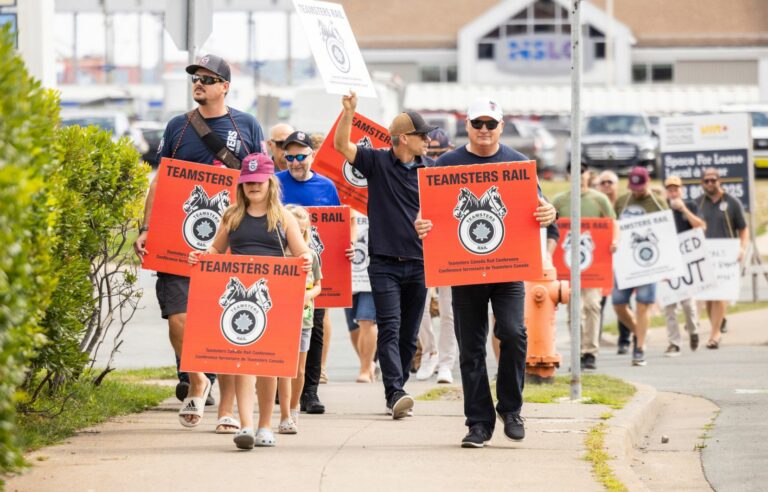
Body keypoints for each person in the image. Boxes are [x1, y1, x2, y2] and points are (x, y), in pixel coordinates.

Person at [415, 97, 557, 448]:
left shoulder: (518, 163)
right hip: (465, 273)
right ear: (467, 126)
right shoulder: (446, 163)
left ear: (500, 127)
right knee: (471, 350)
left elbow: (539, 208)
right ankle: (478, 423)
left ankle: (511, 408)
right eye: (477, 123)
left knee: (512, 332)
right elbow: (431, 213)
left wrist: (549, 214)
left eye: (490, 124)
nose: (483, 130)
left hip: (508, 271)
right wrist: (423, 225)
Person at [133, 54, 264, 431]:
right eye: (196, 78)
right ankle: (197, 377)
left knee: (224, 317)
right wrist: (146, 227)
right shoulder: (178, 126)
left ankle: (222, 399)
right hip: (178, 240)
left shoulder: (246, 125)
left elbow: (261, 180)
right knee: (178, 318)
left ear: (225, 86)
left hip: (232, 241)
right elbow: (161, 181)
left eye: (208, 78)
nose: (199, 84)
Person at [188, 152, 312, 449]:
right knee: (243, 364)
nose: (253, 186)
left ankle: (265, 425)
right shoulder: (231, 216)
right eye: (248, 182)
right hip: (238, 303)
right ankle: (245, 425)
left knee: (268, 367)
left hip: (273, 300)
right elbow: (216, 251)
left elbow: (300, 250)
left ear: (270, 182)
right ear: (241, 185)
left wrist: (306, 259)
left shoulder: (283, 217)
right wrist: (202, 257)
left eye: (259, 181)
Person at [334, 91, 435, 420]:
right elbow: (341, 147)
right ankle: (395, 392)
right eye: (423, 136)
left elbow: (445, 213)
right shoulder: (376, 161)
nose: (428, 141)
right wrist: (348, 113)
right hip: (384, 263)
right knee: (390, 328)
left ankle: (397, 388)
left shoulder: (430, 172)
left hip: (420, 264)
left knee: (409, 335)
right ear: (404, 138)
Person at [276, 130, 342, 414]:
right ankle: (282, 388)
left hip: (311, 271)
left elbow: (338, 229)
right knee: (281, 330)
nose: (295, 162)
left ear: (312, 156)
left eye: (301, 156)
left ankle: (310, 393)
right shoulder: (275, 184)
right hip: (280, 269)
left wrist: (346, 250)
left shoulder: (327, 187)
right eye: (289, 157)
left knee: (312, 329)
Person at [552, 168, 617, 371]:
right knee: (574, 310)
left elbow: (613, 223)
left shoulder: (599, 199)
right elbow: (549, 226)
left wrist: (615, 240)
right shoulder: (560, 201)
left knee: (592, 306)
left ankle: (590, 352)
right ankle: (577, 352)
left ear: (588, 175)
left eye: (582, 173)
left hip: (593, 264)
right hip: (568, 264)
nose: (578, 177)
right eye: (574, 173)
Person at [613, 166, 668, 366]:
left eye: (640, 187)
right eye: (633, 187)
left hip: (647, 261)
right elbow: (614, 226)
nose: (637, 191)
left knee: (643, 304)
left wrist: (666, 266)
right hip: (624, 262)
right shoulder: (622, 202)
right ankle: (640, 331)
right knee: (618, 303)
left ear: (648, 182)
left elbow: (667, 233)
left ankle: (639, 348)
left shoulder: (658, 203)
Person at [415, 128, 458, 383]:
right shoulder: (415, 173)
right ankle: (430, 351)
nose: (436, 160)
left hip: (448, 247)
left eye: (442, 154)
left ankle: (446, 362)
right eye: (433, 154)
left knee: (448, 308)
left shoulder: (453, 174)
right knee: (419, 307)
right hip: (419, 245)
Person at [276, 204, 322, 434]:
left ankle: (294, 407)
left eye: (304, 231)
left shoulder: (311, 255)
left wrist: (307, 295)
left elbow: (319, 286)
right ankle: (284, 412)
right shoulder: (277, 254)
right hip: (282, 317)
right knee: (284, 367)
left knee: (299, 369)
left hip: (304, 317)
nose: (299, 235)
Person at [696, 168, 749, 349]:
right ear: (702, 183)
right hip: (705, 255)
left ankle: (715, 334)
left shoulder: (732, 203)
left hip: (725, 256)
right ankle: (716, 325)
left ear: (720, 181)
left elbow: (743, 228)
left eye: (713, 180)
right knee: (709, 298)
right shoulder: (698, 203)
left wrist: (742, 248)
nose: (710, 184)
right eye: (706, 181)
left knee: (720, 295)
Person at [662, 176, 704, 356]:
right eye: (670, 189)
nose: (673, 192)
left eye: (676, 189)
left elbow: (700, 226)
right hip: (668, 261)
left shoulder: (692, 205)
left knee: (688, 303)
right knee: (669, 305)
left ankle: (693, 330)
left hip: (686, 259)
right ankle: (674, 342)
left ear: (681, 190)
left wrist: (684, 209)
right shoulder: (662, 208)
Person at [596, 170, 633, 354]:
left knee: (623, 299)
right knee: (598, 300)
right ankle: (593, 341)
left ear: (616, 184)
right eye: (603, 182)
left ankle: (625, 339)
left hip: (622, 256)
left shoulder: (623, 204)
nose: (607, 185)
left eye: (610, 182)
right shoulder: (594, 202)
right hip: (600, 258)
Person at [345, 210, 379, 383]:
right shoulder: (342, 194)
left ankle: (366, 368)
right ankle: (369, 362)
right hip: (346, 269)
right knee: (353, 326)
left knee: (366, 319)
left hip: (369, 270)